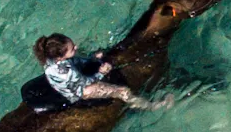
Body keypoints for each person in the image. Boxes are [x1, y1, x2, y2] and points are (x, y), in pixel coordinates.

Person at [19, 33, 167, 114]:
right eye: (72, 48)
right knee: (123, 91)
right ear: (60, 57)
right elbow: (86, 82)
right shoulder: (65, 72)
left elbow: (76, 60)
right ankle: (152, 107)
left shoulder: (52, 60)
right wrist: (102, 73)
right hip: (80, 91)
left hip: (72, 80)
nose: (76, 47)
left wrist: (92, 58)